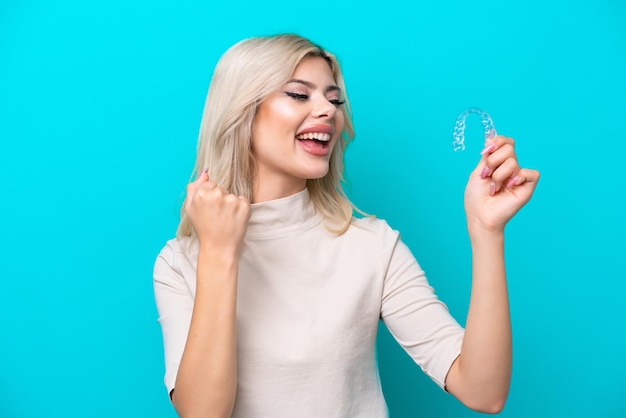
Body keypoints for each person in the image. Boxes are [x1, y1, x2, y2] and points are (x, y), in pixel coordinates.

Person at [153, 33, 540, 418]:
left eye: (334, 99)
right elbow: (202, 413)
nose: (328, 111)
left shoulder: (372, 246)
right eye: (299, 95)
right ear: (242, 113)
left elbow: (484, 391)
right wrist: (220, 253)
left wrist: (486, 230)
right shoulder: (180, 263)